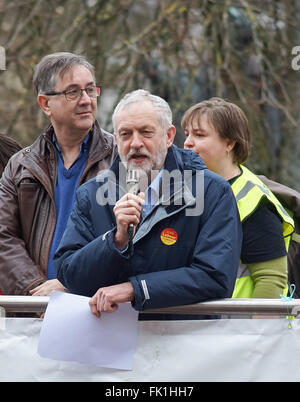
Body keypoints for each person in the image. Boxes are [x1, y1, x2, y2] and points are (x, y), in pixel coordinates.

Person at [55, 89, 242, 319]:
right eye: (125, 134)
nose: (135, 143)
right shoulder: (92, 194)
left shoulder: (212, 192)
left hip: (186, 344)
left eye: (145, 132)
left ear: (169, 136)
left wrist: (136, 289)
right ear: (116, 138)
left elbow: (215, 277)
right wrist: (116, 240)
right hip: (111, 344)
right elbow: (69, 275)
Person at [0, 52, 117, 296]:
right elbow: (4, 237)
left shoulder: (121, 158)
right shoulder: (20, 165)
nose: (86, 100)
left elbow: (130, 237)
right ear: (45, 104)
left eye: (91, 89)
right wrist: (36, 290)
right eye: (73, 92)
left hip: (101, 306)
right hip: (33, 312)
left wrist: (71, 284)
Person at [182, 97, 295, 298]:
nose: (188, 142)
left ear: (230, 143)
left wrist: (253, 328)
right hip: (197, 325)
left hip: (237, 326)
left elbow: (271, 280)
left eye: (199, 135)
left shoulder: (254, 202)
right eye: (187, 134)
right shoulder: (186, 188)